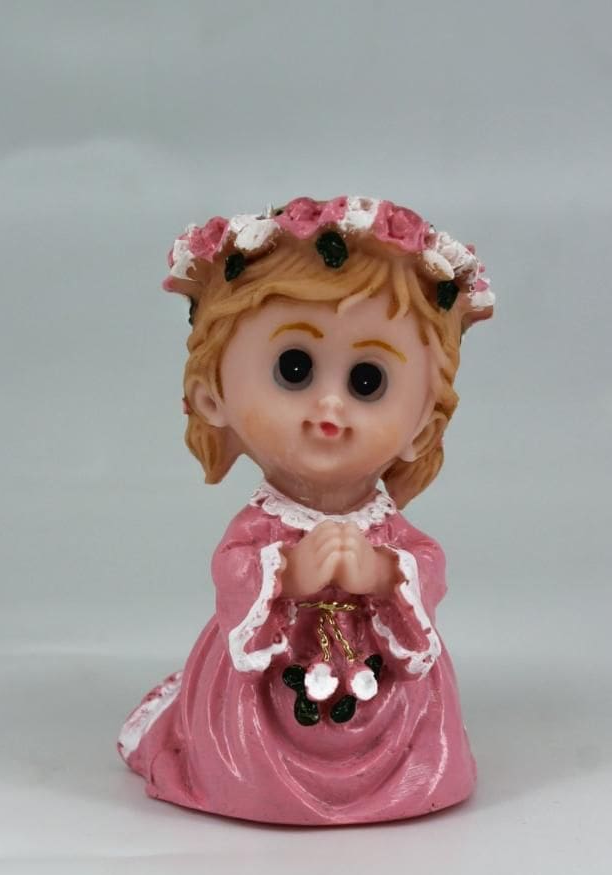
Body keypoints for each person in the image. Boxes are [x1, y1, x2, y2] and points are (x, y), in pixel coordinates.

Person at [118, 195, 495, 824]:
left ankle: (409, 772)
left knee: (422, 736)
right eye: (294, 369)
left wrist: (382, 573)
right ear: (213, 396)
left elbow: (428, 567)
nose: (329, 408)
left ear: (423, 428)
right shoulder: (265, 525)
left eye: (367, 381)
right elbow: (233, 570)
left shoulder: (384, 531)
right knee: (241, 756)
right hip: (259, 700)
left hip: (386, 691)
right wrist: (288, 576)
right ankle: (245, 774)